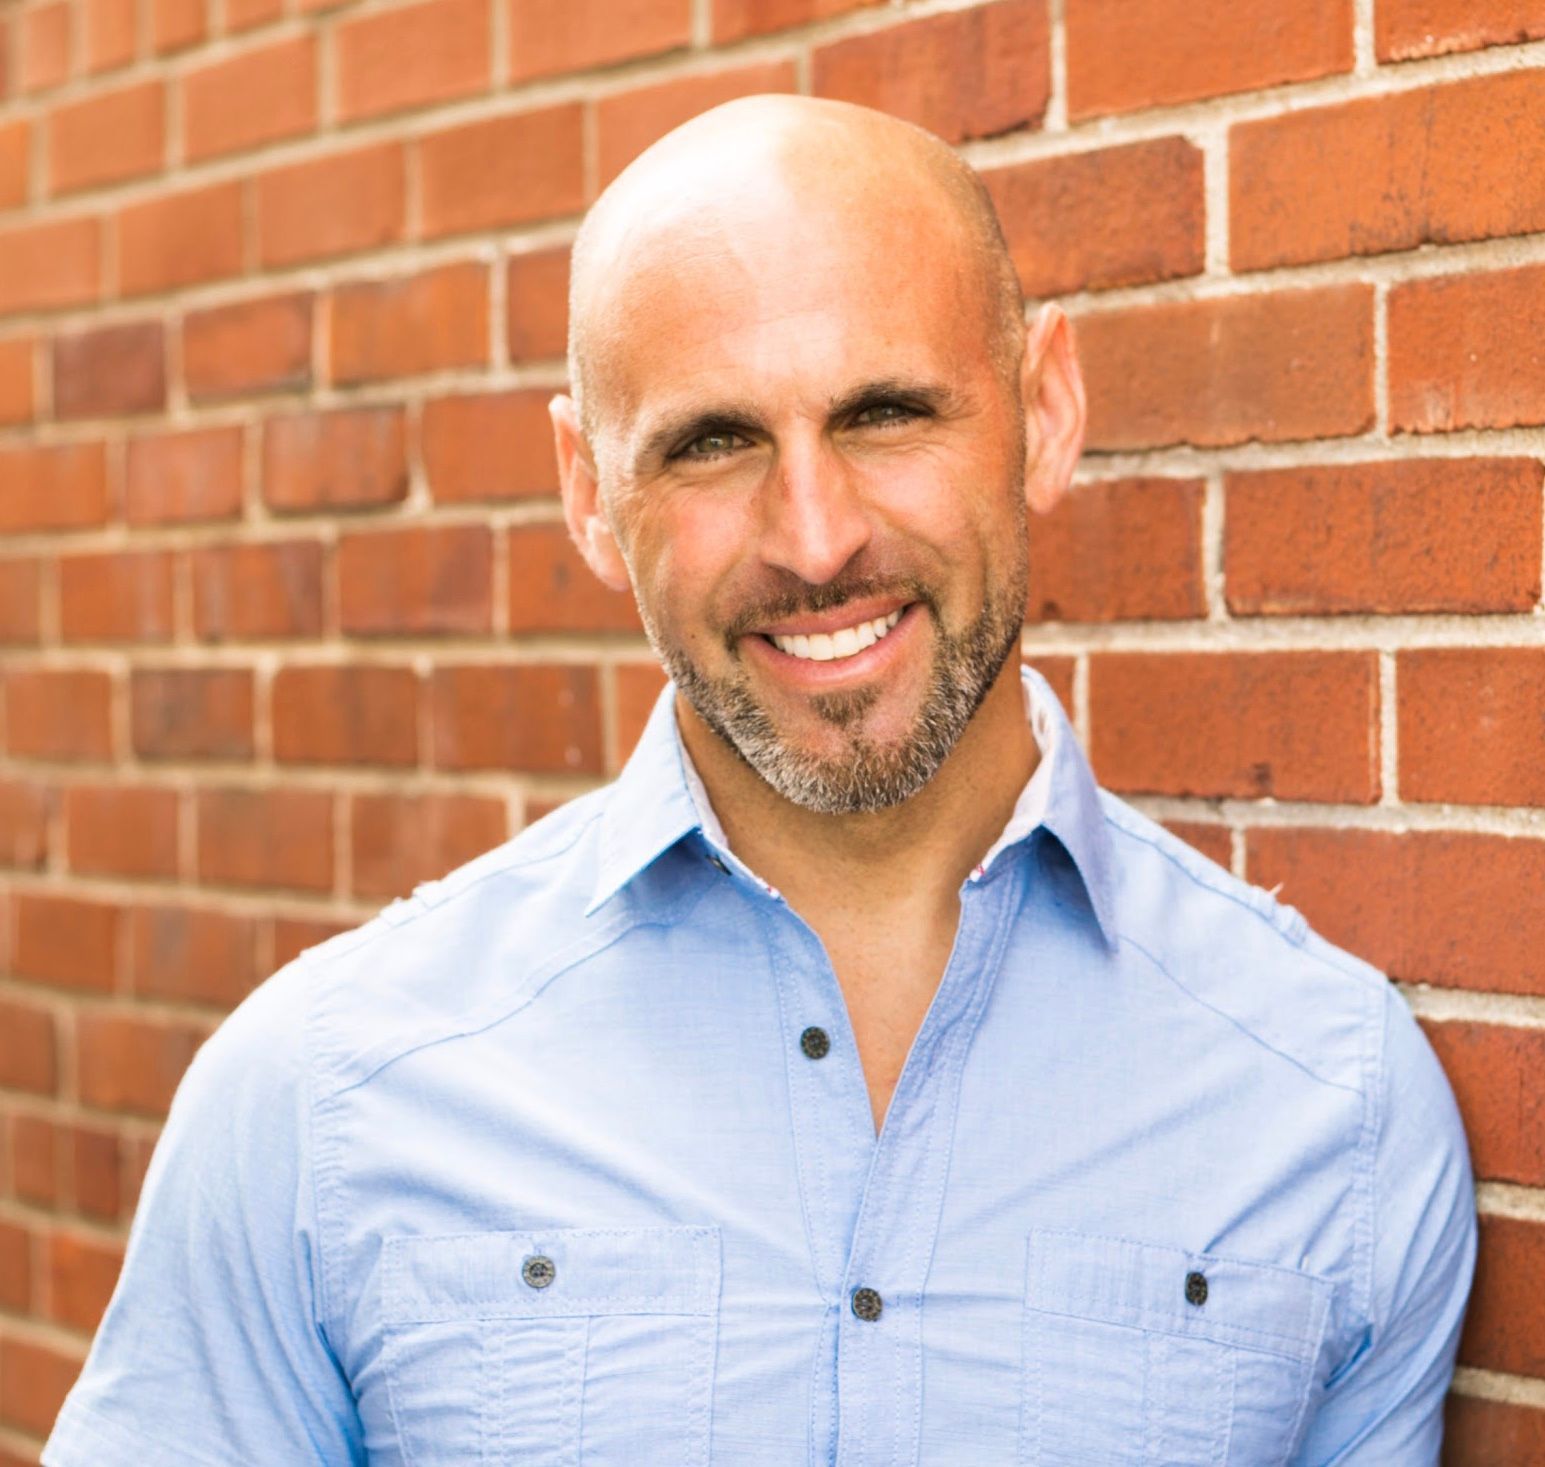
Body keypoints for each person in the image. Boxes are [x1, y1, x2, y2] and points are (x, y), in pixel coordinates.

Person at [44, 94, 1475, 1466]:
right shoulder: (322, 1096)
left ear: (1042, 414)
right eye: (713, 442)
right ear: (586, 492)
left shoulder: (1330, 1104)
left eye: (886, 414)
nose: (812, 535)